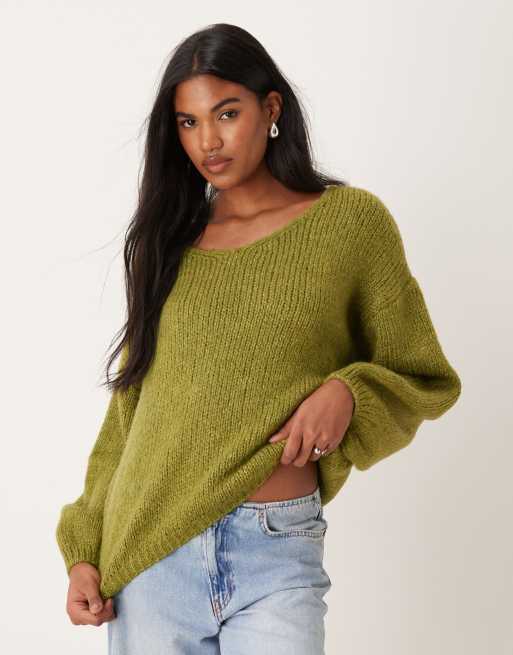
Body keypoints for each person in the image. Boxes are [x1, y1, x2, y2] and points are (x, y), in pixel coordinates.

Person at [56, 22, 462, 654]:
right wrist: (84, 547)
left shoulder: (350, 225)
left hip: (277, 549)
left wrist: (349, 391)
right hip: (151, 556)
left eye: (227, 113)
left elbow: (423, 374)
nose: (208, 141)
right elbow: (132, 409)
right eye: (188, 122)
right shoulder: (170, 242)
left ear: (271, 109)